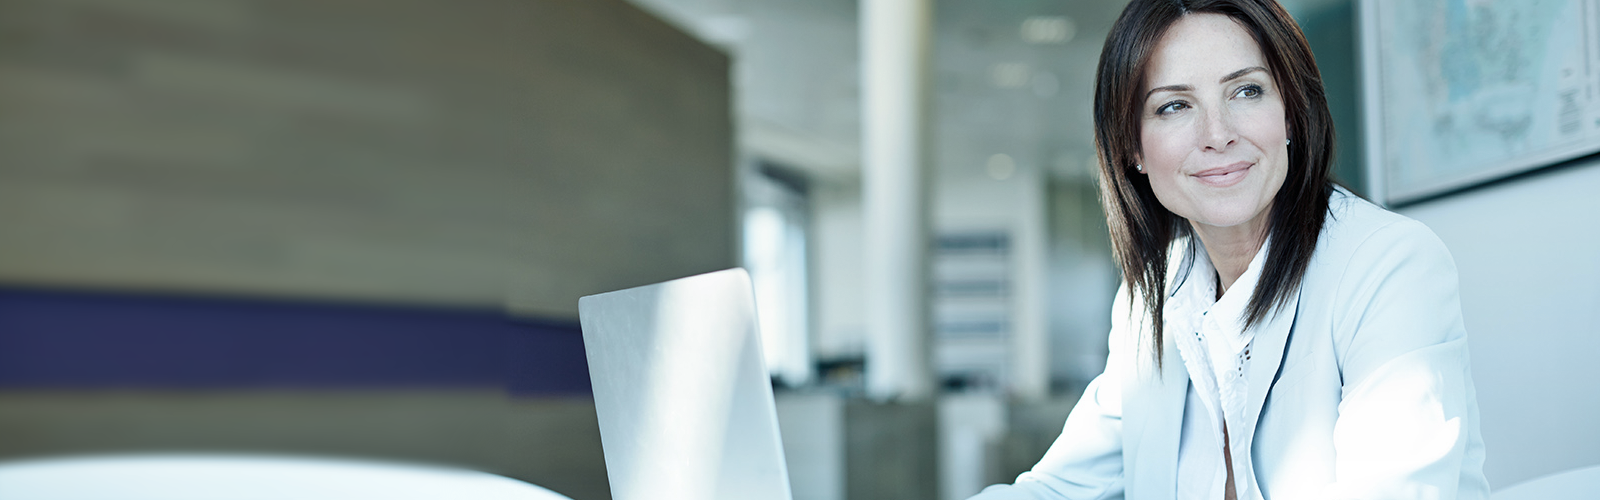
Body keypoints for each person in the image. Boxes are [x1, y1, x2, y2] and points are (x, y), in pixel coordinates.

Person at [968, 0, 1488, 499]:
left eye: (1246, 92)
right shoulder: (1148, 299)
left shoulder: (1390, 267)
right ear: (1133, 148)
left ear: (1290, 113)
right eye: (1174, 106)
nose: (1217, 135)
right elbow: (1060, 489)